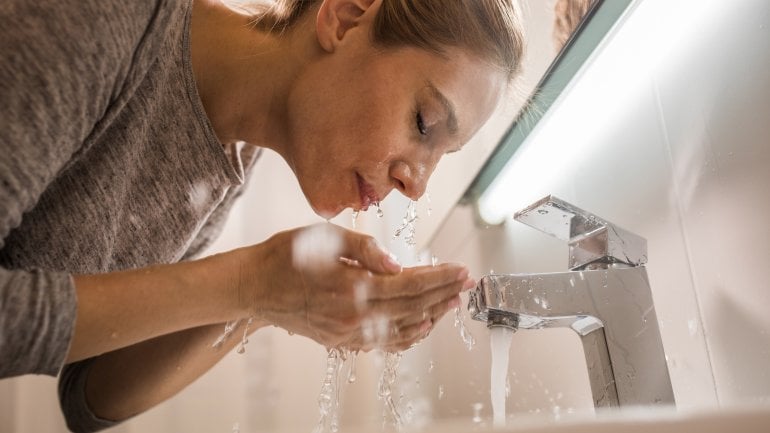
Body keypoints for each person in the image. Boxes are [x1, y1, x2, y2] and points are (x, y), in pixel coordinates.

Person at [0, 0, 524, 431]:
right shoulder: (99, 18)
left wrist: (272, 302)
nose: (417, 184)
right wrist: (253, 281)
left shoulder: (230, 150)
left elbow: (94, 393)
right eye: (423, 121)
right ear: (343, 17)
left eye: (441, 157)